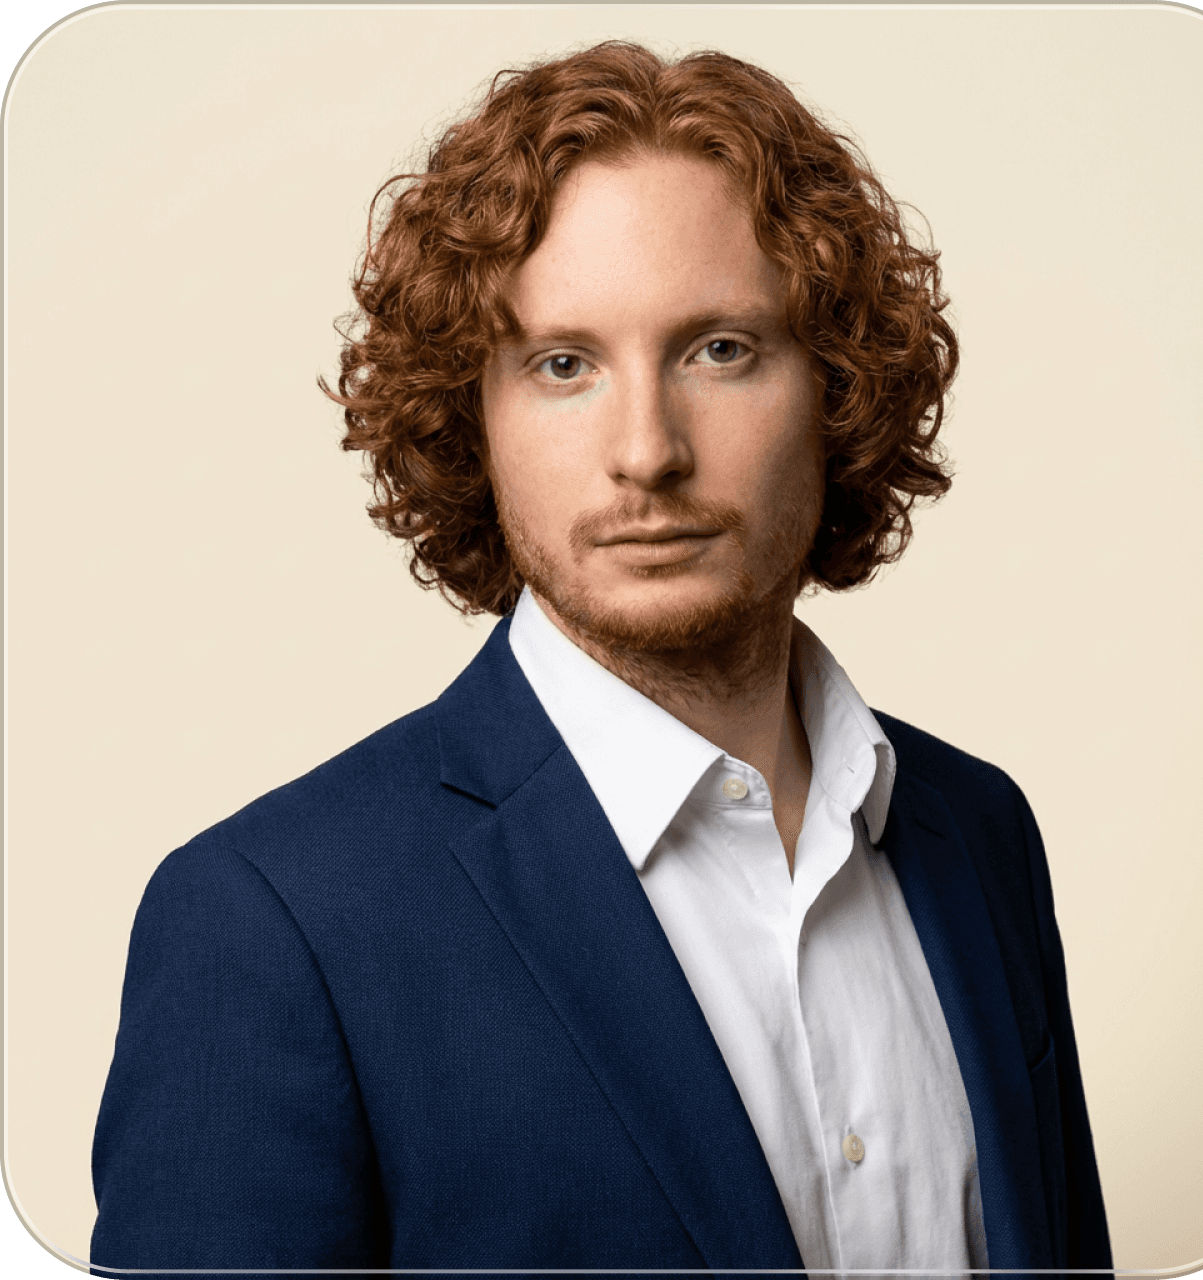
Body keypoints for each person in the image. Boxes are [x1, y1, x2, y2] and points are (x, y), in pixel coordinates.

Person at [90, 41, 1110, 1276]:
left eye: (718, 348)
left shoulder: (980, 836)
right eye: (562, 364)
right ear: (472, 414)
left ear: (835, 385)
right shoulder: (269, 924)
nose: (646, 450)